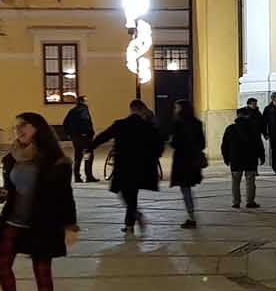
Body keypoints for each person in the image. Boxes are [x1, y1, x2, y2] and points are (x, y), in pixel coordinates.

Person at [0, 112, 78, 291]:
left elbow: (65, 196)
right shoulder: (12, 157)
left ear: (38, 128)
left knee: (42, 270)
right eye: (16, 126)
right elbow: (11, 189)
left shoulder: (55, 161)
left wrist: (70, 226)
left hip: (42, 222)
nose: (18, 130)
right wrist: (3, 194)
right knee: (1, 263)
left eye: (24, 125)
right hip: (14, 220)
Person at [91, 99, 165, 233]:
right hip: (141, 166)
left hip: (123, 165)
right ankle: (129, 225)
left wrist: (90, 147)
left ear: (131, 109)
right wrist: (154, 156)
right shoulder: (148, 127)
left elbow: (104, 136)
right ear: (142, 110)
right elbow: (159, 144)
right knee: (132, 194)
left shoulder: (120, 124)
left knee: (125, 193)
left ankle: (134, 216)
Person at [169, 100, 207, 229]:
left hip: (182, 161)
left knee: (185, 189)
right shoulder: (197, 123)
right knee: (188, 188)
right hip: (193, 160)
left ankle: (192, 217)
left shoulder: (178, 123)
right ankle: (192, 214)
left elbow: (175, 143)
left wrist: (172, 141)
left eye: (176, 107)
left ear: (181, 109)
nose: (175, 110)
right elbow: (202, 143)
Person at [221, 104, 264, 206]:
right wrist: (261, 156)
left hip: (236, 159)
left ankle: (236, 202)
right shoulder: (253, 128)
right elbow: (259, 144)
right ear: (248, 115)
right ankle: (250, 202)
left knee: (235, 181)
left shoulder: (230, 129)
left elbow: (224, 145)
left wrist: (226, 158)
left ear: (237, 116)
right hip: (250, 158)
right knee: (250, 180)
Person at [63, 97, 96, 183]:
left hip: (75, 137)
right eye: (86, 100)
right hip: (84, 137)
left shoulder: (72, 111)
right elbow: (85, 121)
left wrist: (70, 134)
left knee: (78, 156)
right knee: (88, 155)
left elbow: (65, 123)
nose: (87, 102)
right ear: (82, 101)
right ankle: (89, 176)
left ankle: (77, 176)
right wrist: (87, 132)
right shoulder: (83, 110)